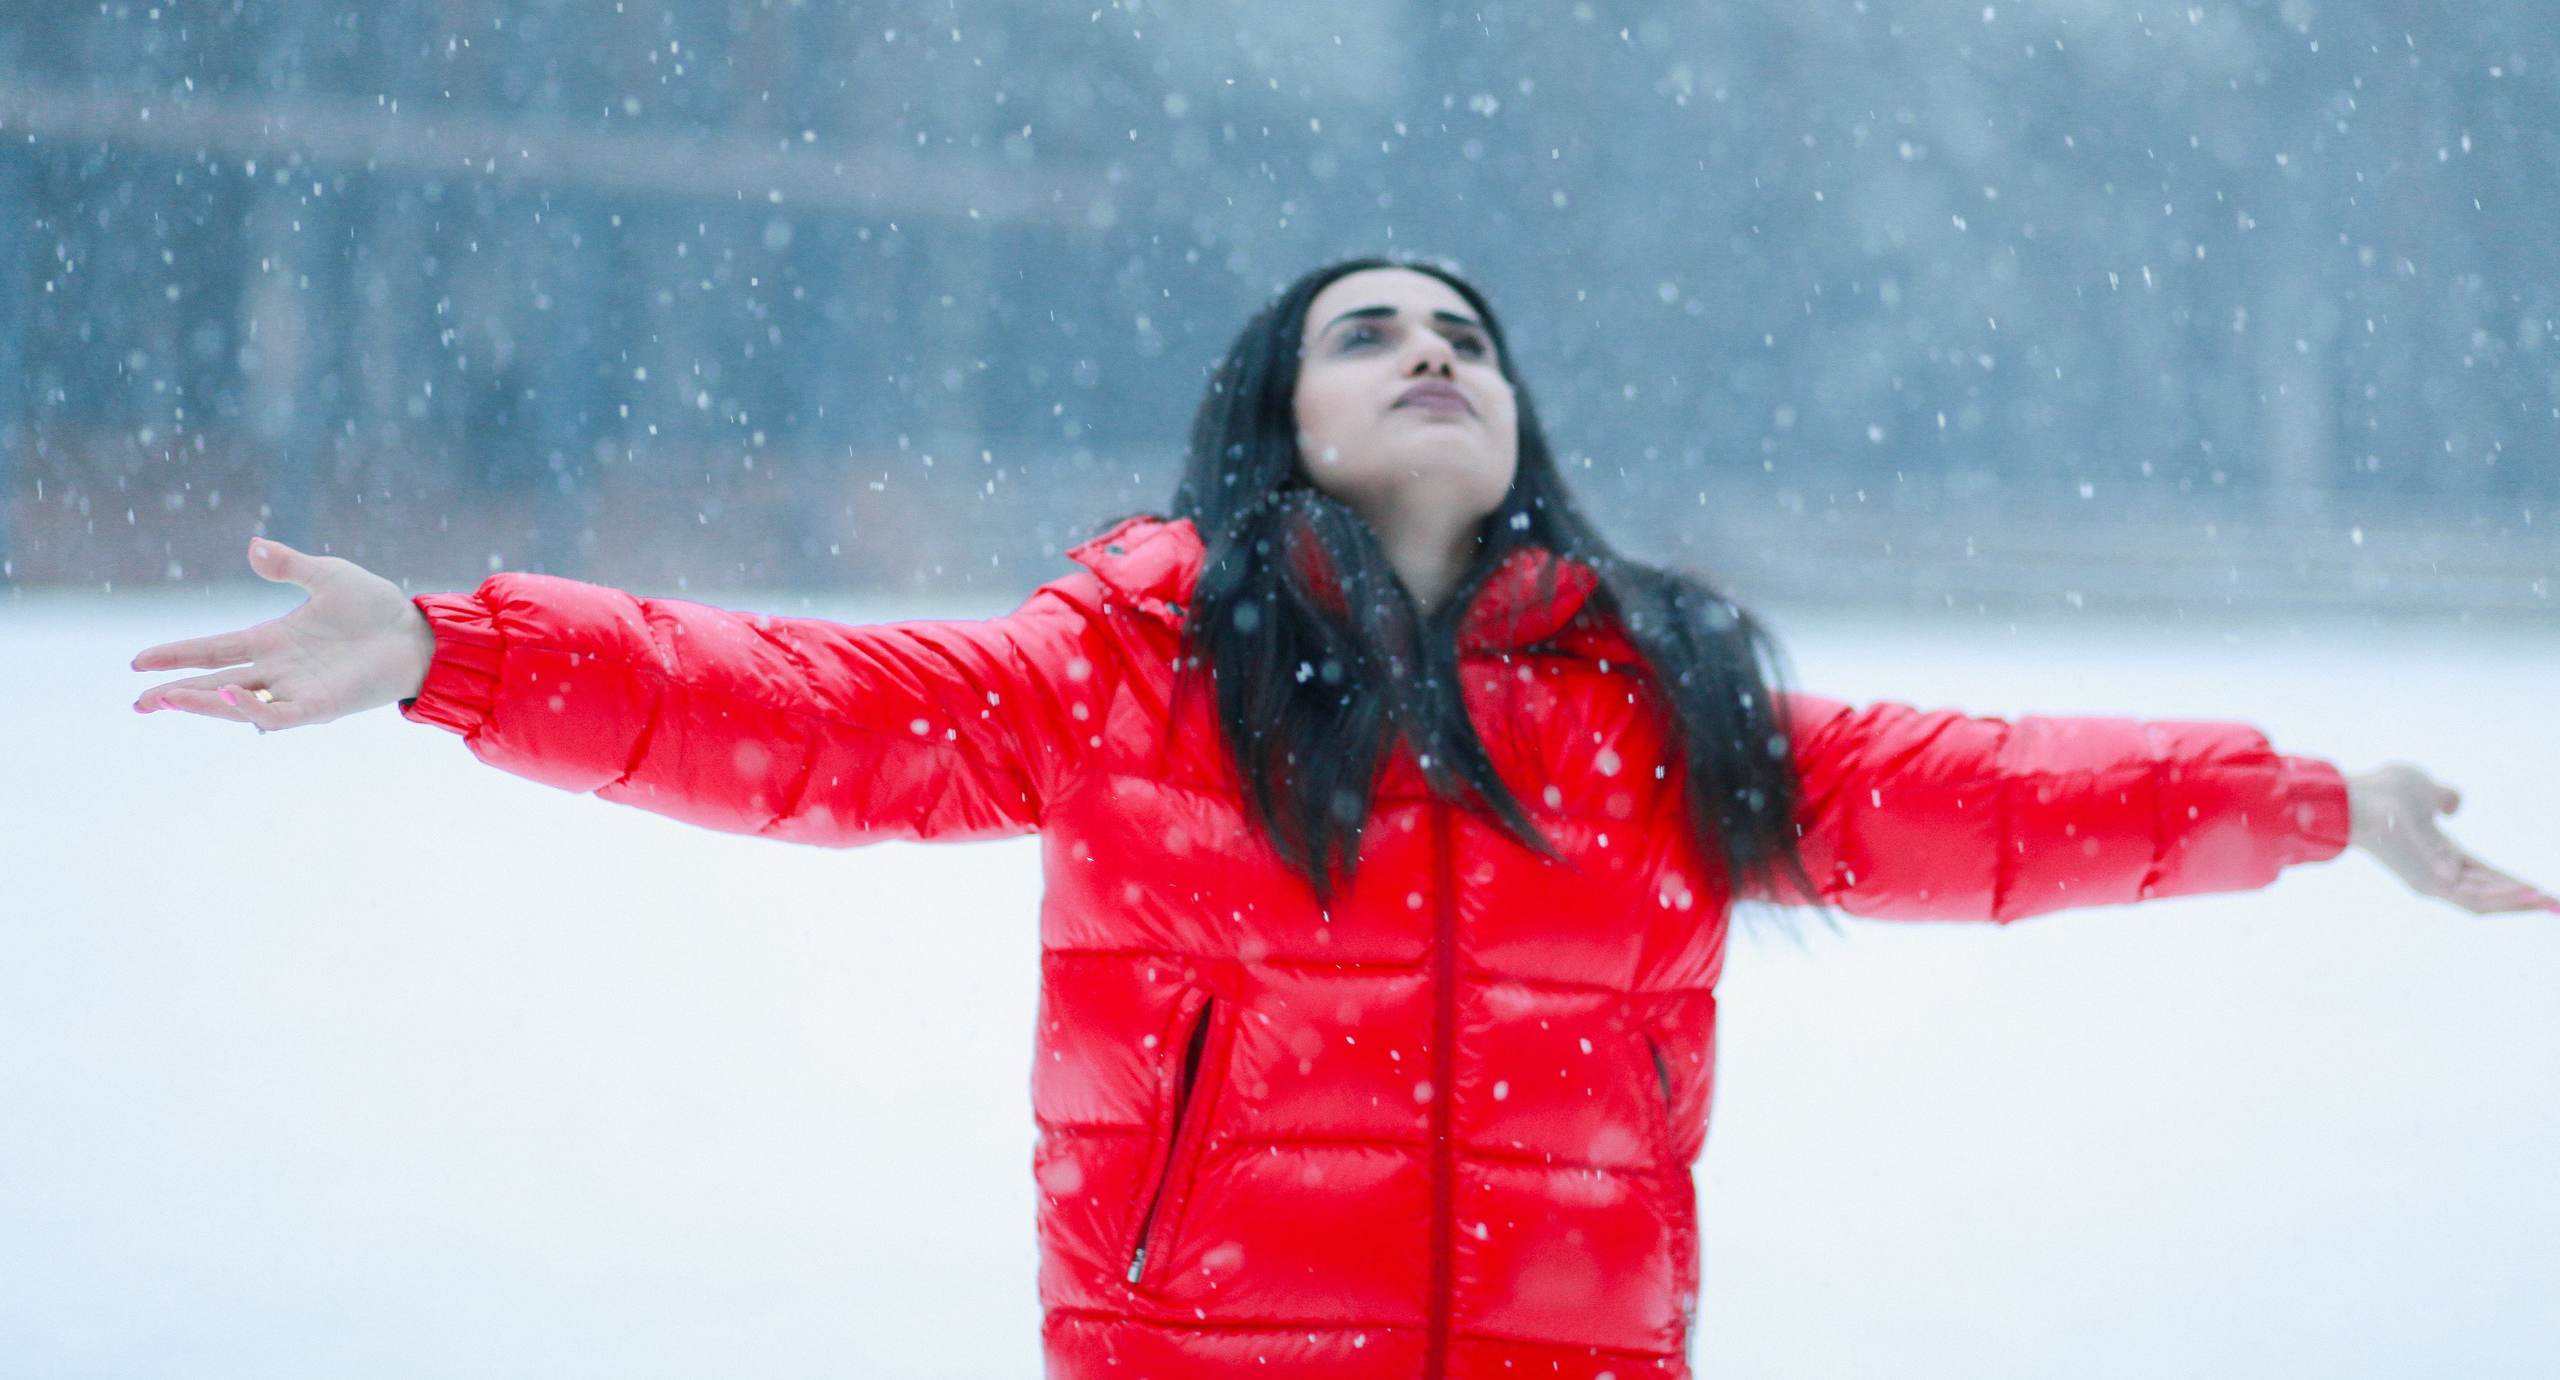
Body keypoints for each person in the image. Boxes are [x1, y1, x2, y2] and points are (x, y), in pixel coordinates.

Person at [131, 259, 2552, 1379]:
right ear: (1277, 416)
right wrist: (456, 648)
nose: (1431, 352)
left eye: (1466, 334)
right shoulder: (1134, 662)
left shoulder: (1658, 703)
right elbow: (822, 713)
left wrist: (2314, 799)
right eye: (1368, 328)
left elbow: (1991, 796)